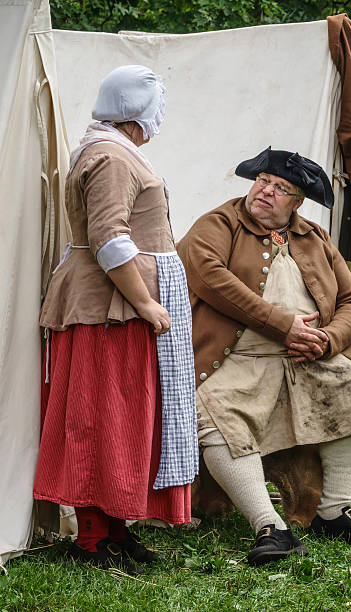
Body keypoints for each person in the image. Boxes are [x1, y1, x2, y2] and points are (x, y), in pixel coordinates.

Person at [177, 147, 351, 566]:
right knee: (215, 417)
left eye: (281, 188)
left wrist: (326, 340)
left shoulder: (315, 237)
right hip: (236, 359)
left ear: (298, 202)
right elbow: (208, 275)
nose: (265, 191)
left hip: (307, 358)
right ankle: (269, 526)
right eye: (262, 182)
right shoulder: (219, 223)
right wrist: (283, 325)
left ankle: (333, 510)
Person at [34, 65, 198, 574]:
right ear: (136, 110)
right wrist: (146, 302)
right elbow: (111, 239)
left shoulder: (113, 151)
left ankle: (117, 527)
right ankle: (89, 537)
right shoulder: (109, 157)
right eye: (157, 104)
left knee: (127, 419)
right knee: (101, 416)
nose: (161, 115)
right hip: (109, 308)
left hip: (119, 307)